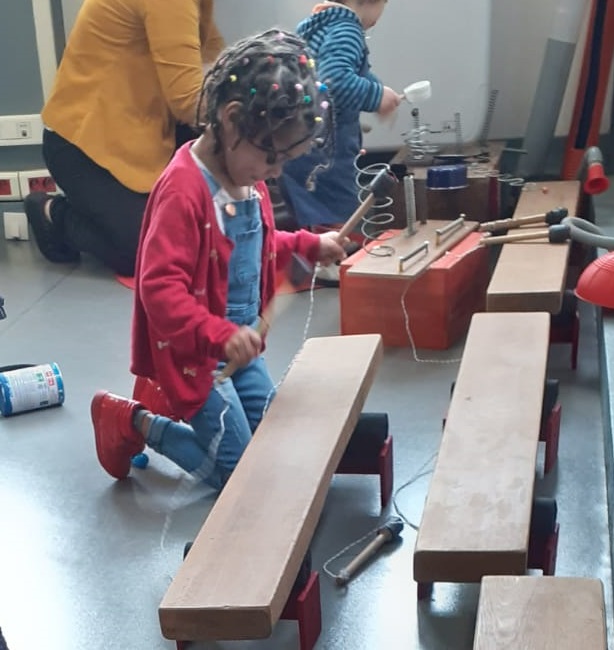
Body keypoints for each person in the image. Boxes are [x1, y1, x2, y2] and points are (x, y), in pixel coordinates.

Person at [90, 29, 347, 491]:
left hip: (238, 349)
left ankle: (170, 407)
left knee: (272, 443)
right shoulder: (185, 190)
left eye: (284, 162)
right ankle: (133, 421)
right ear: (231, 121)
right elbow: (158, 289)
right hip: (196, 356)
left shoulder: (248, 174)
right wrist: (220, 334)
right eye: (271, 157)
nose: (275, 172)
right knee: (238, 475)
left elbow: (253, 247)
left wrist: (308, 244)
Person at [24, 0, 224, 277]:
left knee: (203, 226)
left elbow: (212, 58)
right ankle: (52, 213)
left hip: (141, 133)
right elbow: (189, 101)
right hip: (83, 146)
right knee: (144, 251)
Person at [280, 0, 401, 231]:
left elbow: (336, 68)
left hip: (299, 147)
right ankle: (332, 263)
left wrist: (375, 85)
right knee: (336, 227)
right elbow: (334, 82)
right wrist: (376, 97)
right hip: (326, 157)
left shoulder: (317, 24)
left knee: (308, 225)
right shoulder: (347, 30)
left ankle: (312, 258)